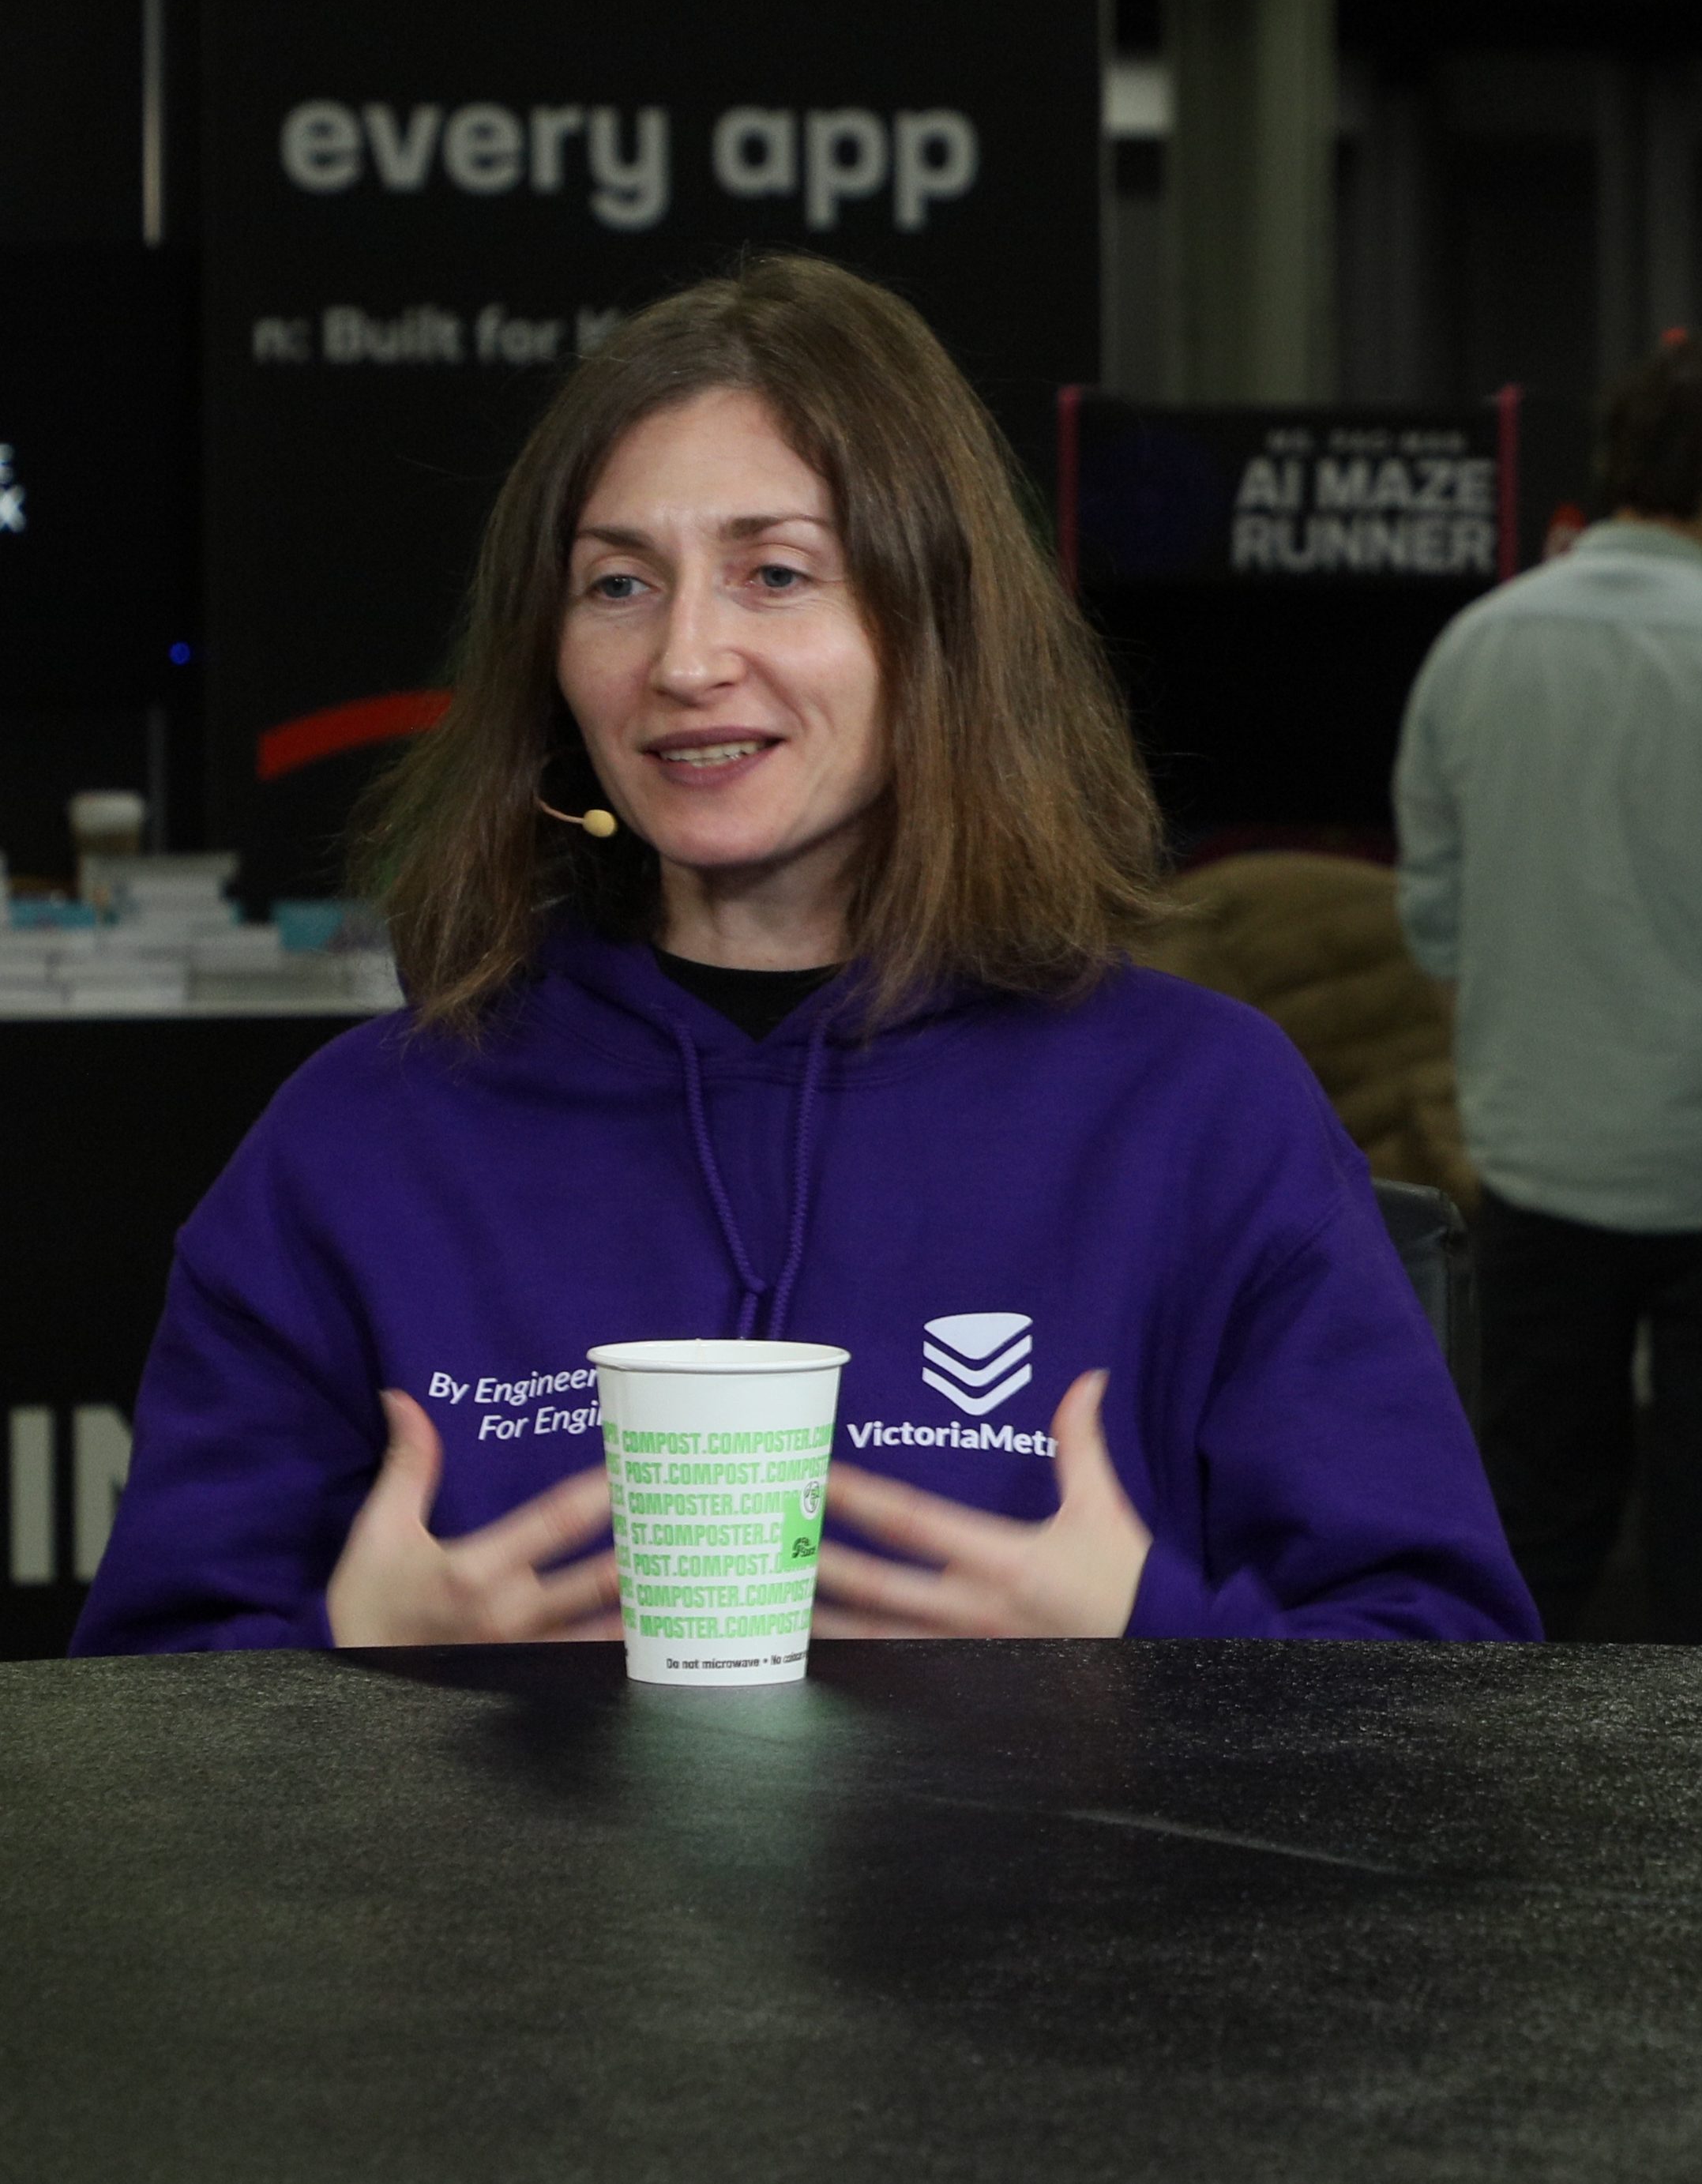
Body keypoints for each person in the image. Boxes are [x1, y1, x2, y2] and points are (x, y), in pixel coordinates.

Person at [74, 254, 1538, 1654]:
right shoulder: (361, 1142)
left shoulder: (1199, 1113)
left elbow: (1445, 1680)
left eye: (775, 573)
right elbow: (141, 1710)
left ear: (939, 623)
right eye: (618, 584)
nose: (685, 660)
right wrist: (354, 1656)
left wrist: (1146, 1638)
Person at [1395, 332, 1702, 1646]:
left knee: (1533, 1527)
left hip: (1535, 1158)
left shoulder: (1473, 649)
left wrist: (1499, 1083)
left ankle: (1521, 1770)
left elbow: (1435, 920)